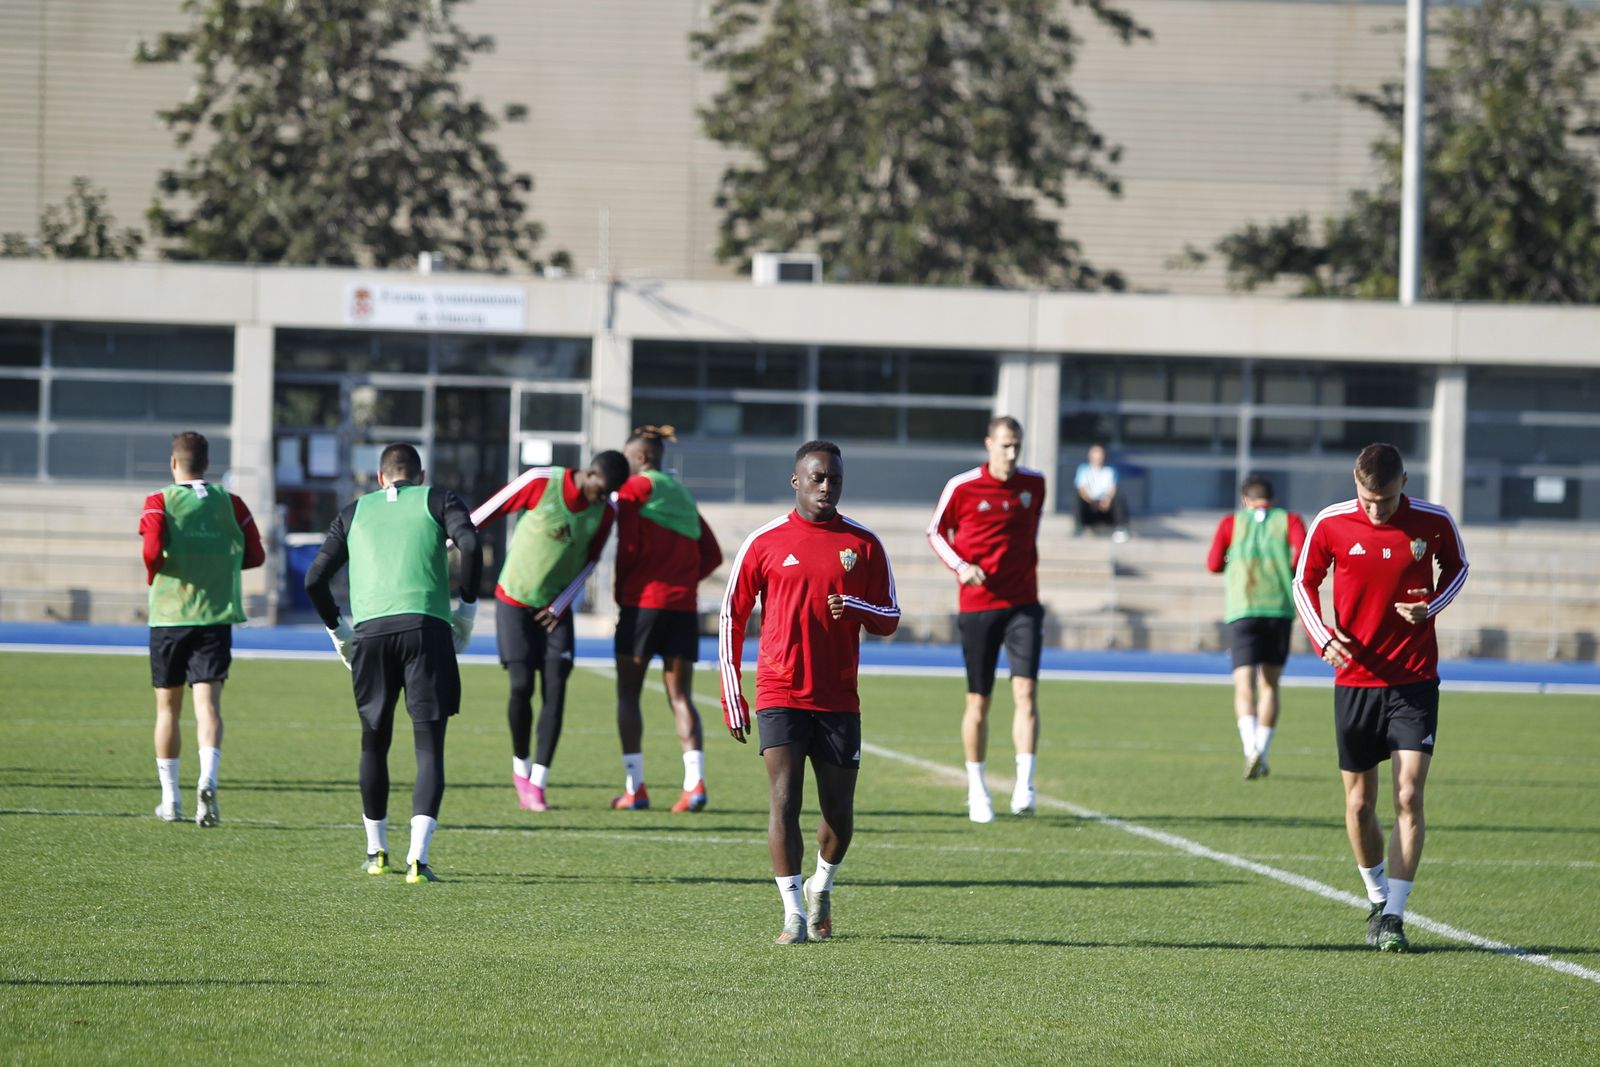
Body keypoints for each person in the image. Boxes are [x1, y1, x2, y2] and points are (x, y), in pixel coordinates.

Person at [719, 441, 899, 944]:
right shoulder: (764, 541)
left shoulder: (864, 544)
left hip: (838, 696)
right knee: (784, 800)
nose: (826, 487)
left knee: (838, 814)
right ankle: (793, 914)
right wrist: (732, 692)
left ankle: (822, 885)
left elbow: (890, 616)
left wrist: (856, 607)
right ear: (795, 481)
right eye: (817, 478)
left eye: (834, 479)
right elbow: (731, 615)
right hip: (779, 689)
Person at [1292, 443, 1468, 954]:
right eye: (1368, 500)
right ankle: (1376, 897)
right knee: (1358, 803)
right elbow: (1303, 582)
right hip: (1355, 681)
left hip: (1414, 680)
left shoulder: (1433, 521)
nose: (1376, 510)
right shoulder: (1331, 523)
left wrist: (1432, 606)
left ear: (1404, 484)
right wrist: (1322, 637)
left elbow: (1458, 569)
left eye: (1386, 501)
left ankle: (1394, 914)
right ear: (1356, 484)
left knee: (1408, 796)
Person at [305, 443, 482, 883]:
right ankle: (417, 860)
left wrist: (339, 633)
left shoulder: (353, 512)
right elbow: (471, 545)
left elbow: (314, 579)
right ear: (419, 477)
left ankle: (376, 853)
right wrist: (466, 612)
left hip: (371, 635)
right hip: (427, 631)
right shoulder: (439, 499)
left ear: (380, 477)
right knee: (429, 748)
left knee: (373, 743)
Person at [471, 450, 630, 811]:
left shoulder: (606, 510)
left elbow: (591, 560)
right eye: (600, 489)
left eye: (609, 493)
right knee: (521, 686)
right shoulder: (541, 481)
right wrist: (444, 544)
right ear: (589, 473)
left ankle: (538, 783)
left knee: (555, 691)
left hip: (556, 611)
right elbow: (485, 514)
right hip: (514, 600)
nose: (602, 497)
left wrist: (561, 603)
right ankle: (521, 768)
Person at [926, 416, 1048, 823]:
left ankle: (1025, 786)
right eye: (1005, 445)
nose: (1011, 454)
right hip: (978, 606)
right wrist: (962, 567)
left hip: (1023, 604)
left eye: (1017, 446)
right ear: (989, 444)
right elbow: (935, 532)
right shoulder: (962, 487)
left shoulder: (1035, 484)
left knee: (1026, 692)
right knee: (979, 700)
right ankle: (977, 790)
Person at [140, 431, 264, 826]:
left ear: (173, 463)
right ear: (207, 464)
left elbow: (151, 549)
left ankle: (171, 800)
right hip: (214, 618)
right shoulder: (231, 502)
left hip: (170, 617)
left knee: (167, 710)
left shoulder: (159, 501)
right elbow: (256, 554)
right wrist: (220, 566)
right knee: (208, 707)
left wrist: (155, 572)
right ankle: (207, 779)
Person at [609, 425, 724, 813]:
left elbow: (627, 547)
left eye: (627, 459)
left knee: (628, 694)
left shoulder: (634, 489)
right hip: (682, 608)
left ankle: (635, 788)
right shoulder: (682, 494)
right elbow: (713, 554)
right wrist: (683, 581)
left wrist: (621, 590)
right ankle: (694, 784)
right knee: (681, 696)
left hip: (641, 604)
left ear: (641, 457)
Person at [1206, 474, 1307, 779]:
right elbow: (1303, 557)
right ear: (1272, 499)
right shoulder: (1289, 520)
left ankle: (1250, 748)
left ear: (1245, 500)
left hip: (1244, 608)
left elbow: (1213, 563)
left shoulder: (1231, 523)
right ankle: (1261, 752)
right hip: (1278, 609)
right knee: (1270, 685)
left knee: (1243, 684)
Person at [1073, 443, 1129, 542]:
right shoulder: (1083, 469)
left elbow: (1113, 488)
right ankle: (1079, 527)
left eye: (1100, 455)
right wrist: (1092, 502)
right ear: (1090, 456)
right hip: (1089, 505)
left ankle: (1121, 529)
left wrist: (1107, 499)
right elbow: (1082, 489)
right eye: (1095, 455)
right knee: (1077, 497)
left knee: (1120, 497)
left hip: (1106, 505)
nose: (1098, 458)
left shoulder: (1110, 470)